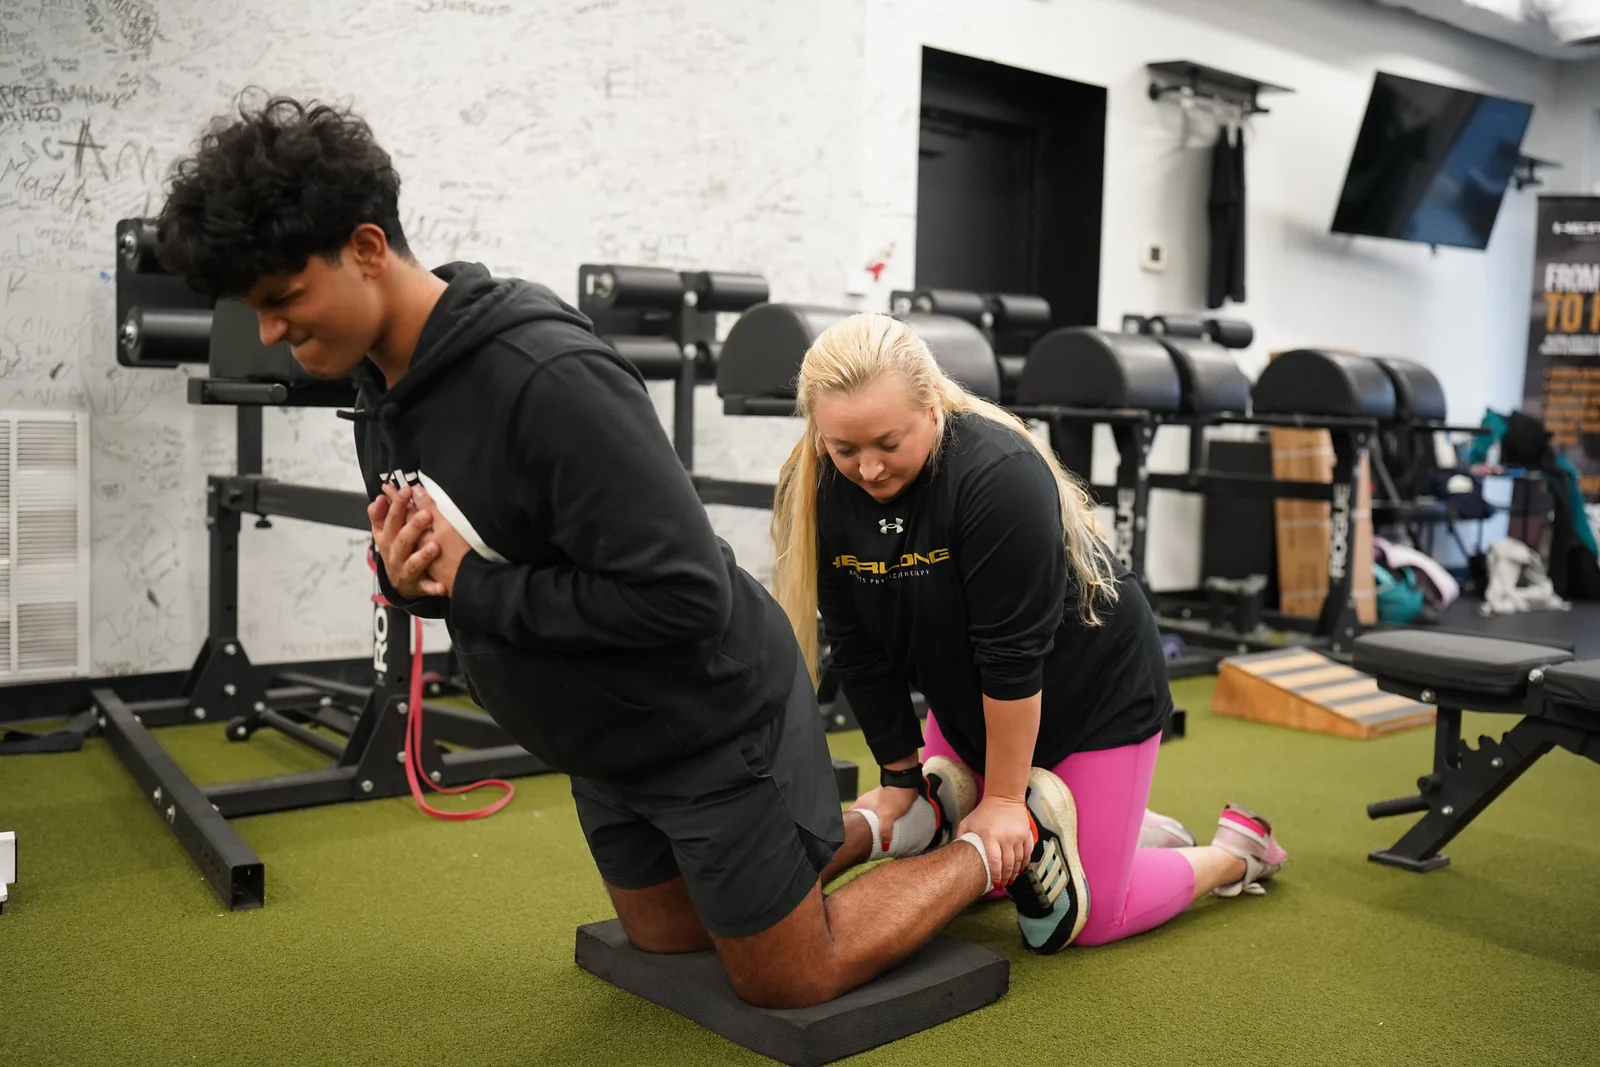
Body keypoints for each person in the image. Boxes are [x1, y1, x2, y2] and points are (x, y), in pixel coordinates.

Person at [151, 94, 1016, 1009]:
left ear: (366, 249)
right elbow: (451, 558)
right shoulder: (380, 390)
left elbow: (685, 595)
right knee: (669, 935)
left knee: (787, 977)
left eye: (283, 300)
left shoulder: (545, 377)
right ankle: (897, 822)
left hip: (708, 720)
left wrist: (469, 589)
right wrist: (408, 583)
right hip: (604, 739)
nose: (270, 333)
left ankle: (990, 839)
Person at [770, 312, 1288, 952]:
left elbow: (1011, 655)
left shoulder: (995, 473)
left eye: (888, 443)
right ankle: (1111, 827)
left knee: (1090, 919)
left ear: (931, 407)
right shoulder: (818, 485)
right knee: (984, 874)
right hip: (971, 698)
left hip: (1092, 688)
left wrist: (1006, 798)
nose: (869, 469)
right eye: (845, 449)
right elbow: (857, 648)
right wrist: (902, 778)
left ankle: (1237, 853)